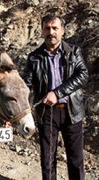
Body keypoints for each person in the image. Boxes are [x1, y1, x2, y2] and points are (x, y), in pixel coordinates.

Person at [23, 14, 89, 180]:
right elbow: (26, 86)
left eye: (55, 28)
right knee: (47, 161)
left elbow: (83, 75)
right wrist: (15, 110)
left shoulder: (73, 52)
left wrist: (57, 93)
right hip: (46, 114)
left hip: (71, 112)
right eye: (47, 28)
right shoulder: (34, 57)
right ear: (42, 31)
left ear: (62, 31)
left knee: (75, 160)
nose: (51, 32)